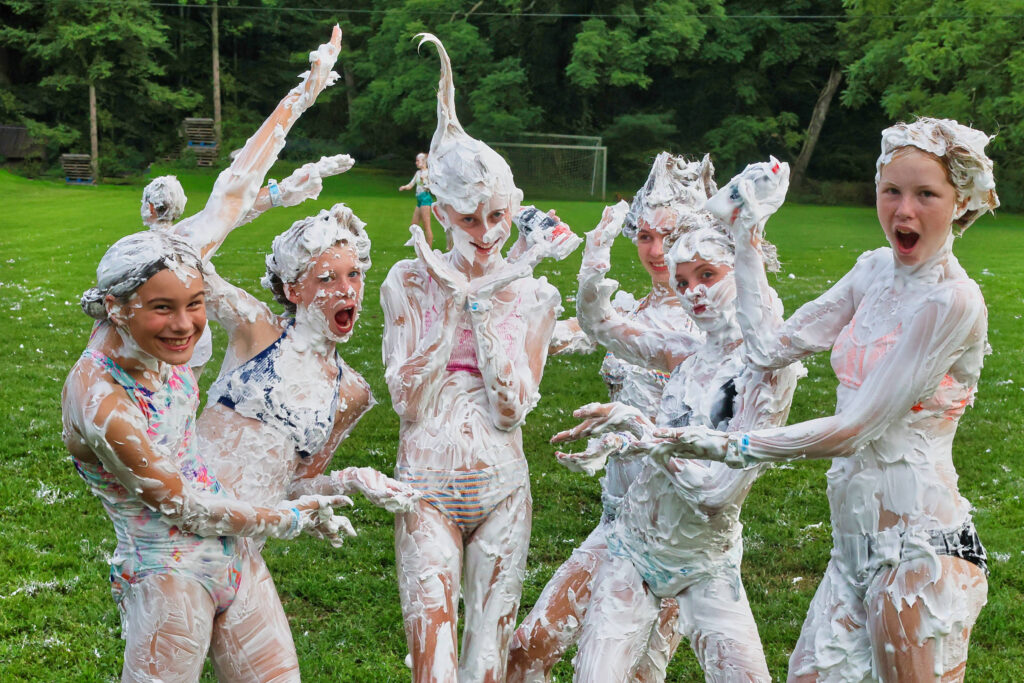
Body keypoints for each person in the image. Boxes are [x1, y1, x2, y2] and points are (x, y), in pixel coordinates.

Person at [654, 118, 998, 682]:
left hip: (920, 550)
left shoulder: (953, 300)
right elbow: (768, 346)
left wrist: (719, 444)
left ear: (961, 203)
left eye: (925, 195)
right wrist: (747, 234)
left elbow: (855, 428)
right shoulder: (872, 270)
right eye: (891, 191)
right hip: (852, 550)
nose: (902, 212)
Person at [551, 159, 802, 681]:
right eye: (684, 282)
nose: (693, 293)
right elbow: (602, 324)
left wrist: (641, 434)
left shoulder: (770, 373)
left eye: (707, 276)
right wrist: (594, 257)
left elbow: (716, 493)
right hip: (634, 548)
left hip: (707, 561)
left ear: (743, 270)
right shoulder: (685, 350)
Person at [62, 230, 349, 682]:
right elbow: (184, 507)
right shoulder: (101, 396)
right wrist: (289, 518)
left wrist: (276, 189)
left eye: (194, 303)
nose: (185, 324)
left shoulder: (156, 342)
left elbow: (223, 208)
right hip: (168, 575)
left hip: (237, 559)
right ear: (116, 308)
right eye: (163, 308)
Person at [380, 34, 561, 682]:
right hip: (424, 488)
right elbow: (406, 399)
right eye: (469, 217)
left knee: (487, 661)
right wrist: (450, 305)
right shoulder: (406, 280)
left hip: (503, 491)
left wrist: (481, 305)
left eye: (498, 217)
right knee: (434, 666)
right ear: (442, 209)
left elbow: (512, 408)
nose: (485, 234)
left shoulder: (536, 292)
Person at [507, 152, 714, 683]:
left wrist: (625, 437)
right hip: (616, 521)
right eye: (645, 235)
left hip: (676, 533)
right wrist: (517, 261)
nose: (656, 250)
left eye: (669, 237)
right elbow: (545, 338)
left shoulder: (709, 331)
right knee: (528, 650)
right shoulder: (631, 317)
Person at [134, 24, 353, 377]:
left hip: (161, 350)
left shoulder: (154, 246)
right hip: (190, 348)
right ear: (180, 206)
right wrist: (292, 183)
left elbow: (239, 191)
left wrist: (302, 98)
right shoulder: (192, 234)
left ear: (148, 207)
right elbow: (237, 207)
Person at [399, 152, 436, 247]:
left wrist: (424, 181)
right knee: (414, 224)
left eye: (417, 160)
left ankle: (429, 248)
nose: (416, 162)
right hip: (419, 199)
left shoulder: (429, 173)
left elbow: (431, 187)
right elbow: (411, 184)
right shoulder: (418, 173)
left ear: (424, 161)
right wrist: (404, 187)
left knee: (426, 225)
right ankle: (414, 239)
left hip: (425, 199)